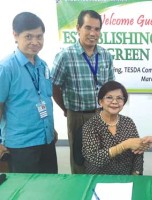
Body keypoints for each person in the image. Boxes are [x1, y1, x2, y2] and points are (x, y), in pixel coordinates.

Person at [51, 10, 115, 174]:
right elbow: (54, 87)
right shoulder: (65, 56)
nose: (93, 33)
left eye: (97, 29)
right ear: (78, 28)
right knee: (80, 160)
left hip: (102, 115)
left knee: (103, 157)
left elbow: (111, 89)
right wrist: (66, 109)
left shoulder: (105, 55)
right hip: (77, 116)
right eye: (88, 28)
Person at [0, 12, 58, 173]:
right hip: (21, 144)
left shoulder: (43, 65)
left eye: (39, 36)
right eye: (29, 36)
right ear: (15, 35)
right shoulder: (6, 68)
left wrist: (50, 128)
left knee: (50, 188)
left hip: (46, 140)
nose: (35, 42)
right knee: (26, 192)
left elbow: (44, 98)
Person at [82, 81, 145, 175]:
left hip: (126, 175)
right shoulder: (91, 125)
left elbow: (138, 152)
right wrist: (124, 145)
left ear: (123, 102)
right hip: (99, 176)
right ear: (101, 102)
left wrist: (136, 172)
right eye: (109, 97)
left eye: (119, 98)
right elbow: (94, 157)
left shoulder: (128, 122)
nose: (115, 102)